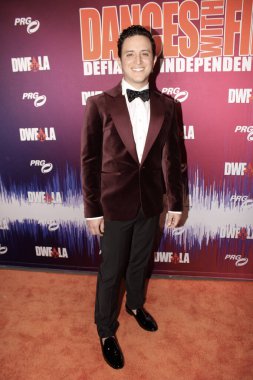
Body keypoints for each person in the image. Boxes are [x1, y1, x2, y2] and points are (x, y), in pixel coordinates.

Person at [81, 25, 183, 369]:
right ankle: (106, 330)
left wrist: (176, 202)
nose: (138, 60)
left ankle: (135, 304)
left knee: (140, 262)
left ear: (155, 60)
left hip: (151, 202)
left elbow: (173, 158)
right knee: (111, 271)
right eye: (130, 53)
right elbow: (90, 160)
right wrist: (92, 210)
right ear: (119, 59)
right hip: (113, 204)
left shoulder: (169, 106)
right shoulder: (98, 104)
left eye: (145, 53)